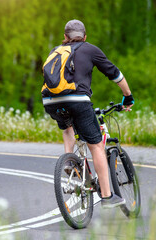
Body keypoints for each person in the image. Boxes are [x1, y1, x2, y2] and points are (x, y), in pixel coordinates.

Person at [43, 19, 134, 208]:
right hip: (77, 100)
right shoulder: (90, 49)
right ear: (85, 37)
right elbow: (115, 74)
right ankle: (108, 196)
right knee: (96, 146)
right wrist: (128, 96)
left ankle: (69, 160)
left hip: (50, 101)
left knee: (67, 126)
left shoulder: (56, 51)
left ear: (65, 37)